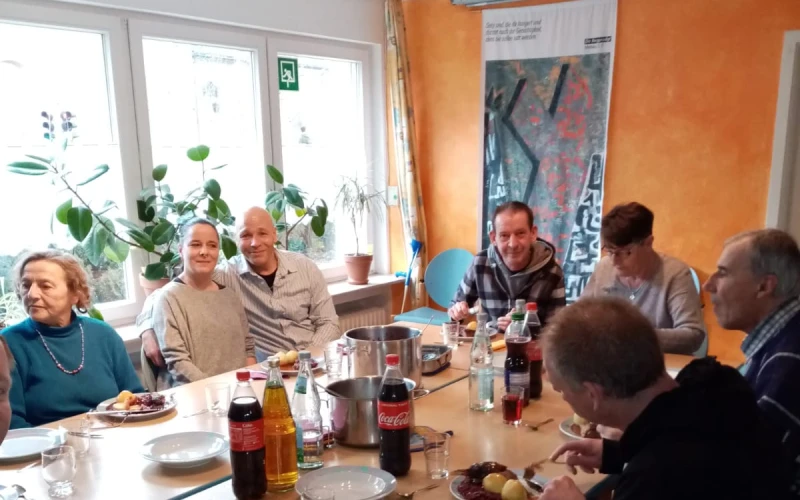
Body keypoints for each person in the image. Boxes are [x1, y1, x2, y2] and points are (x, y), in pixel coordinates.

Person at [539, 297, 789, 500]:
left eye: (562, 391)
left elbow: (669, 470)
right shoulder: (713, 388)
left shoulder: (654, 476)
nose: (563, 397)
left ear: (593, 394)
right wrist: (619, 454)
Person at [140, 206, 340, 367]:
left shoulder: (304, 267)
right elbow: (164, 293)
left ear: (274, 235)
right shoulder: (227, 275)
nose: (255, 242)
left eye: (262, 233)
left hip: (317, 362)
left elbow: (329, 322)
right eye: (245, 235)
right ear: (236, 241)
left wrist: (307, 359)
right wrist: (147, 329)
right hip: (272, 373)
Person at [704, 228, 800, 496]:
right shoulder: (781, 342)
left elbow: (744, 468)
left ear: (764, 286)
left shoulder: (789, 360)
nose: (708, 285)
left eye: (722, 273)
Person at [2, 251, 143, 428]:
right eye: (25, 285)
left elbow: (134, 397)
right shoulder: (9, 343)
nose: (32, 294)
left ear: (75, 294)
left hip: (112, 439)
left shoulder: (103, 335)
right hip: (48, 449)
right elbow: (12, 423)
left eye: (45, 286)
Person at [581, 202, 705, 354]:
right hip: (611, 364)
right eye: (609, 251)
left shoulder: (675, 274)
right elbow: (580, 317)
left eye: (625, 252)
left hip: (661, 366)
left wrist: (633, 336)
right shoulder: (604, 268)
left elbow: (693, 335)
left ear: (648, 243)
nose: (614, 261)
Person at [153, 218, 257, 387]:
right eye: (195, 244)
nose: (204, 251)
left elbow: (248, 348)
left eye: (212, 245)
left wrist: (251, 387)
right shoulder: (168, 298)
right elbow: (178, 363)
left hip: (239, 395)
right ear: (181, 250)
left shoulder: (229, 296)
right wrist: (219, 391)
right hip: (193, 397)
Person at [448, 201, 565, 330]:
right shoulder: (480, 263)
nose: (513, 244)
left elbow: (558, 331)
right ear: (493, 238)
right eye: (504, 235)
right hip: (489, 344)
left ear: (533, 234)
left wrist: (523, 328)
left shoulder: (552, 271)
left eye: (520, 233)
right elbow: (455, 307)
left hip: (530, 346)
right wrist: (457, 312)